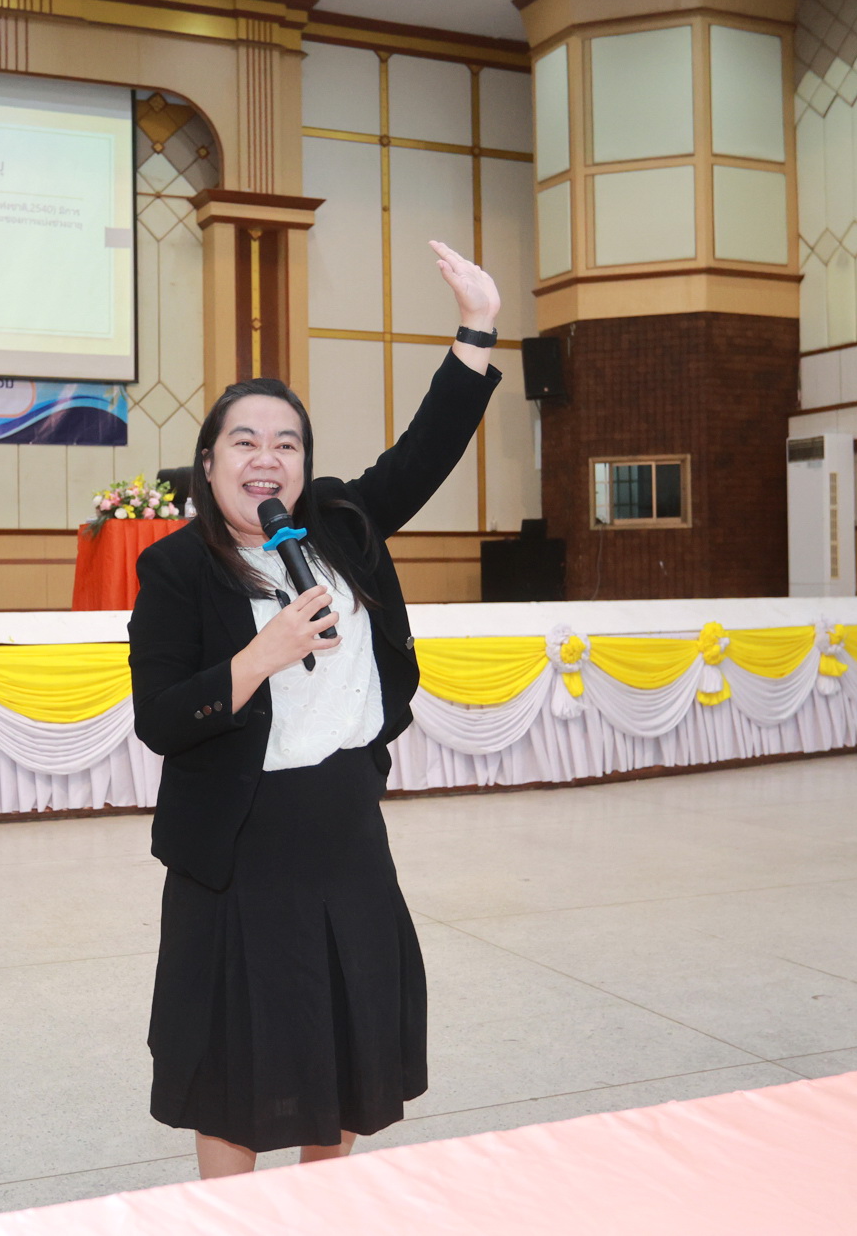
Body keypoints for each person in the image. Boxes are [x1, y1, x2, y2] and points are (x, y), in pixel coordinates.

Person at [127, 239, 503, 1178]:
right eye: (244, 441)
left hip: (345, 835)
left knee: (339, 1048)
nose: (268, 457)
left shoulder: (339, 526)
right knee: (234, 1070)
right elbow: (161, 718)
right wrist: (260, 655)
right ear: (208, 464)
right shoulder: (175, 569)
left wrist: (477, 327)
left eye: (287, 443)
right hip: (238, 851)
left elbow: (426, 451)